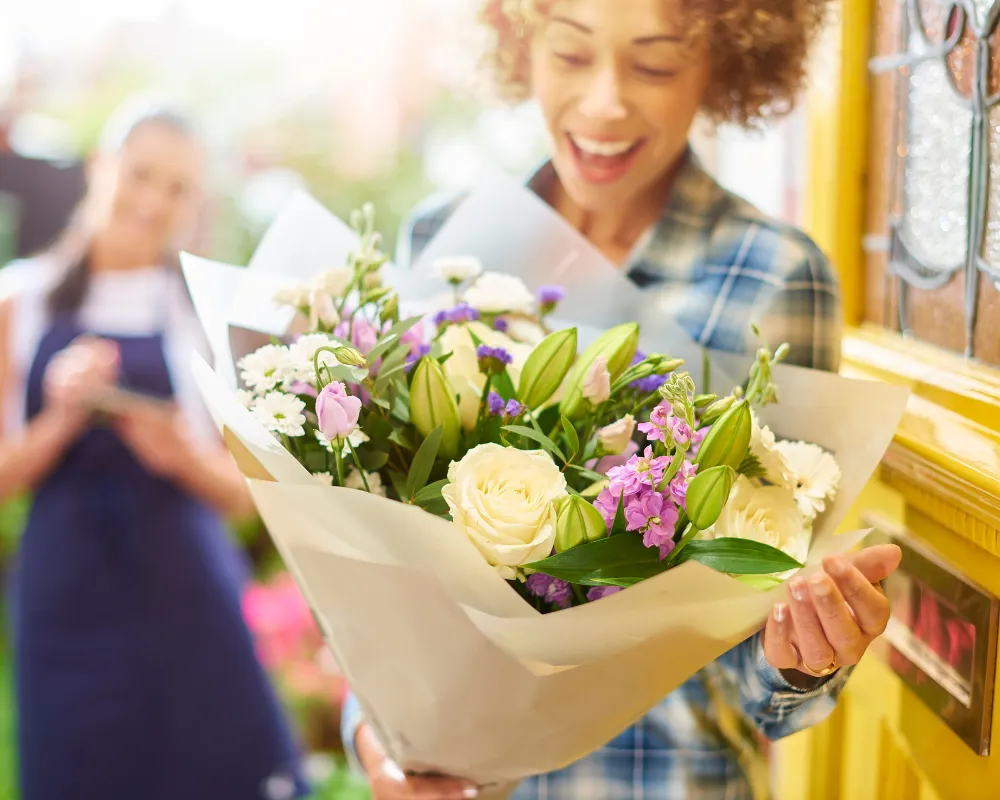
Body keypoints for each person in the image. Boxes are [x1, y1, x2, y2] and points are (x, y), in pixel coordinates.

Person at [343, 1, 902, 798]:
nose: (605, 101)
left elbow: (760, 667)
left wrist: (804, 646)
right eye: (571, 56)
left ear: (725, 68)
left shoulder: (771, 276)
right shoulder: (443, 241)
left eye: (655, 65)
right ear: (519, 45)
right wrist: (375, 736)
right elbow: (371, 566)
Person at [0, 99, 307, 800]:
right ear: (100, 168)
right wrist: (61, 418)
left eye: (177, 188)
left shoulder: (206, 309)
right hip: (65, 602)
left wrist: (180, 455)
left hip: (188, 596)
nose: (153, 202)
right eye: (141, 175)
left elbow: (245, 494)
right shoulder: (21, 300)